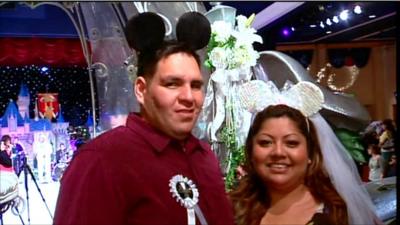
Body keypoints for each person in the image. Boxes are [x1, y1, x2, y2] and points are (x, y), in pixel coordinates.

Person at [54, 12, 234, 225]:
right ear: (141, 89)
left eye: (195, 85)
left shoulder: (205, 157)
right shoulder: (100, 161)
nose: (188, 97)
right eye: (172, 84)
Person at [230, 104, 381, 225]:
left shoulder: (339, 212)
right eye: (265, 142)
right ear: (251, 151)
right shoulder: (231, 209)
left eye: (291, 143)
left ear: (310, 152)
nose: (278, 152)